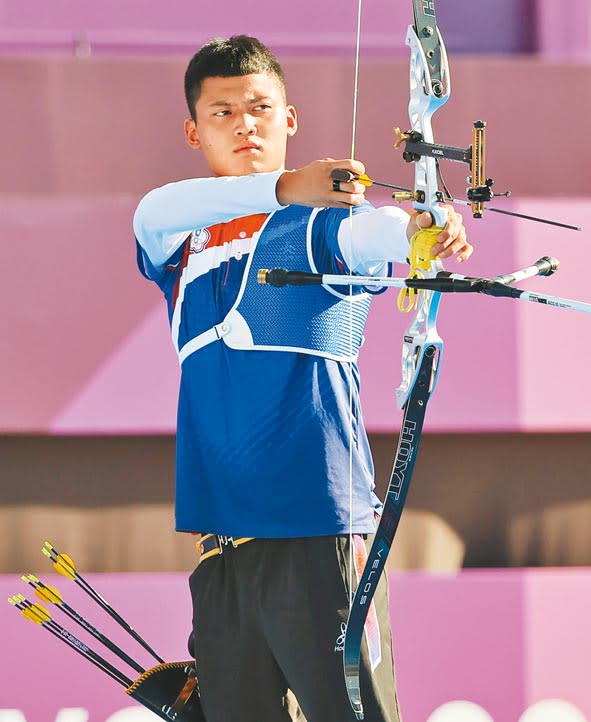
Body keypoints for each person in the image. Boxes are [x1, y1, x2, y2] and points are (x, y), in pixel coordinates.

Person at [133, 35, 471, 722]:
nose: (244, 123)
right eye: (222, 111)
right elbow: (153, 212)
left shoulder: (319, 227)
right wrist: (289, 184)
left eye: (260, 107)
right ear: (194, 131)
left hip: (316, 534)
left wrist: (426, 227)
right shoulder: (180, 243)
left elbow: (378, 233)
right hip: (221, 549)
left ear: (289, 120)